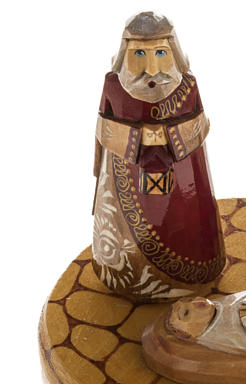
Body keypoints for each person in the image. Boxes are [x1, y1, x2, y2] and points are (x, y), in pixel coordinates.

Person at [92, 12, 225, 300]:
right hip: (125, 177)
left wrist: (167, 136)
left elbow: (199, 125)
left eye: (161, 53)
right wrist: (139, 138)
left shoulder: (187, 86)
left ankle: (194, 273)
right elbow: (103, 127)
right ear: (125, 52)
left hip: (185, 186)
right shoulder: (113, 86)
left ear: (173, 51)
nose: (151, 70)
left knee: (187, 230)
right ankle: (126, 275)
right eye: (139, 54)